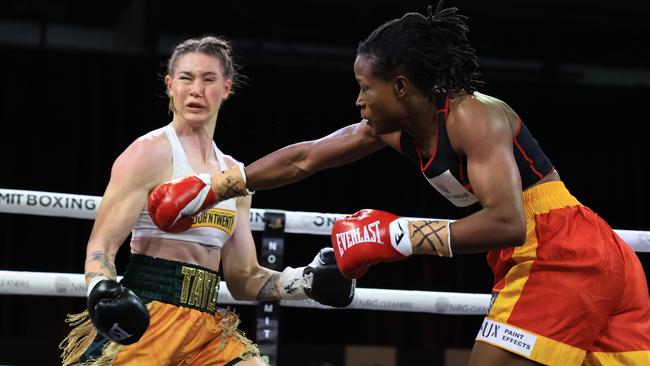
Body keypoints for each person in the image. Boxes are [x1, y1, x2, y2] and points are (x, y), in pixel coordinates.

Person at [148, 3, 650, 366]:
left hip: (558, 251)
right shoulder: (390, 129)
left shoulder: (475, 117)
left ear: (402, 86)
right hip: (577, 257)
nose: (359, 101)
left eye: (367, 88)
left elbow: (507, 221)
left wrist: (396, 236)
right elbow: (305, 159)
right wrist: (215, 187)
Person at [59, 35, 355, 366]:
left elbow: (243, 279)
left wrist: (306, 282)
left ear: (226, 88)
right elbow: (101, 246)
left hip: (205, 329)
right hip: (148, 317)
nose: (196, 89)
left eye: (208, 79)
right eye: (186, 78)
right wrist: (101, 289)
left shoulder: (234, 175)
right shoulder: (148, 153)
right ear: (170, 86)